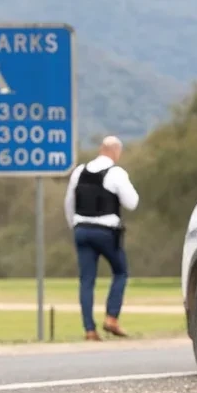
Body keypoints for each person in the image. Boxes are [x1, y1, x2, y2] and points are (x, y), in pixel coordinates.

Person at [63, 135, 139, 341]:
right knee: (120, 272)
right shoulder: (116, 173)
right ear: (116, 151)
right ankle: (111, 318)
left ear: (101, 149)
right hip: (106, 232)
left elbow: (69, 202)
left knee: (86, 280)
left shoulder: (79, 171)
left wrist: (75, 226)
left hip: (81, 230)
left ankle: (89, 329)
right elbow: (132, 203)